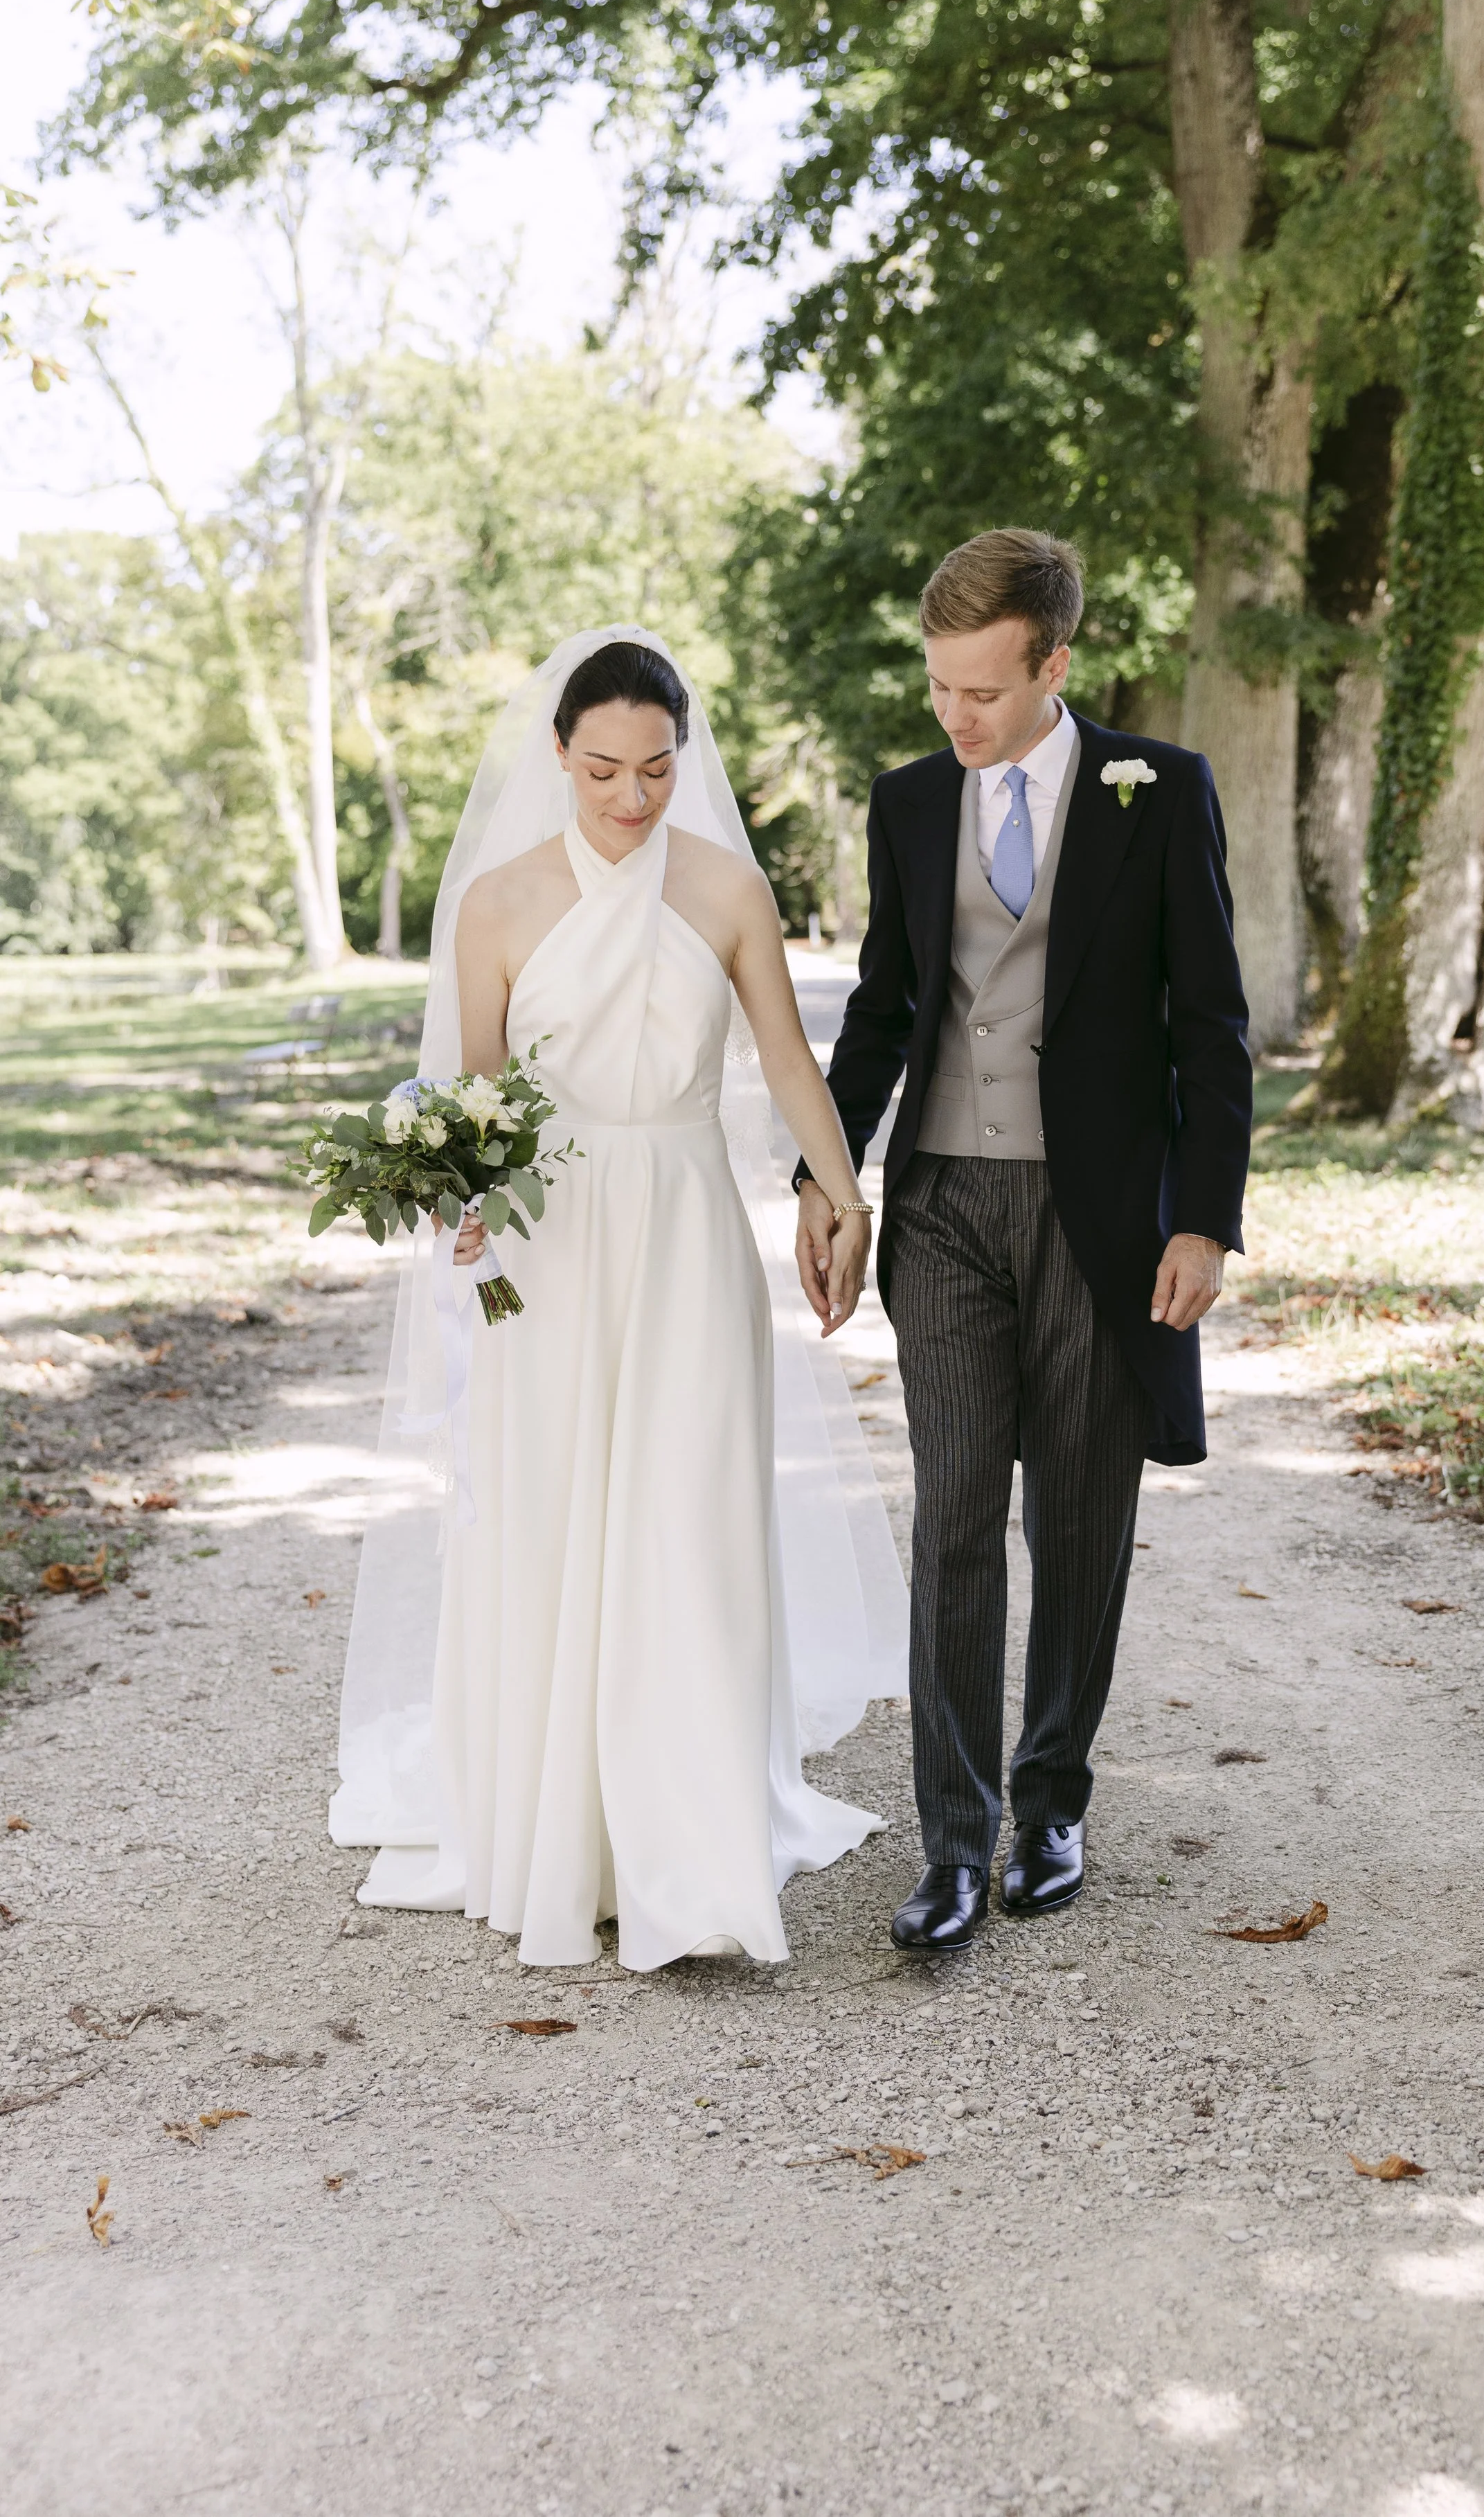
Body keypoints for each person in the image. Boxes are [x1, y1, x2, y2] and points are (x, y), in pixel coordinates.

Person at [328, 631, 906, 1969]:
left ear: (682, 761)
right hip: (552, 1240)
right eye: (603, 771)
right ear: (559, 758)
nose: (632, 798)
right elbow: (478, 1102)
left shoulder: (725, 890)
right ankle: (558, 1832)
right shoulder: (497, 903)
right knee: (551, 1514)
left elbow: (788, 1061)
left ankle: (691, 1846)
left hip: (689, 1227)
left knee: (686, 1515)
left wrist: (841, 1187)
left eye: (656, 770)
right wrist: (455, 1205)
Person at [795, 530, 1253, 1950]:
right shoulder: (908, 802)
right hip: (939, 1206)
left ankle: (1050, 1801)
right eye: (937, 688)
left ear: (1054, 665)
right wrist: (825, 1176)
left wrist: (1202, 1220)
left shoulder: (1156, 791)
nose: (955, 717)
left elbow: (1210, 1027)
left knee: (1074, 1517)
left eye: (982, 692)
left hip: (1097, 1214)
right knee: (949, 1520)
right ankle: (950, 1840)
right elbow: (883, 1005)